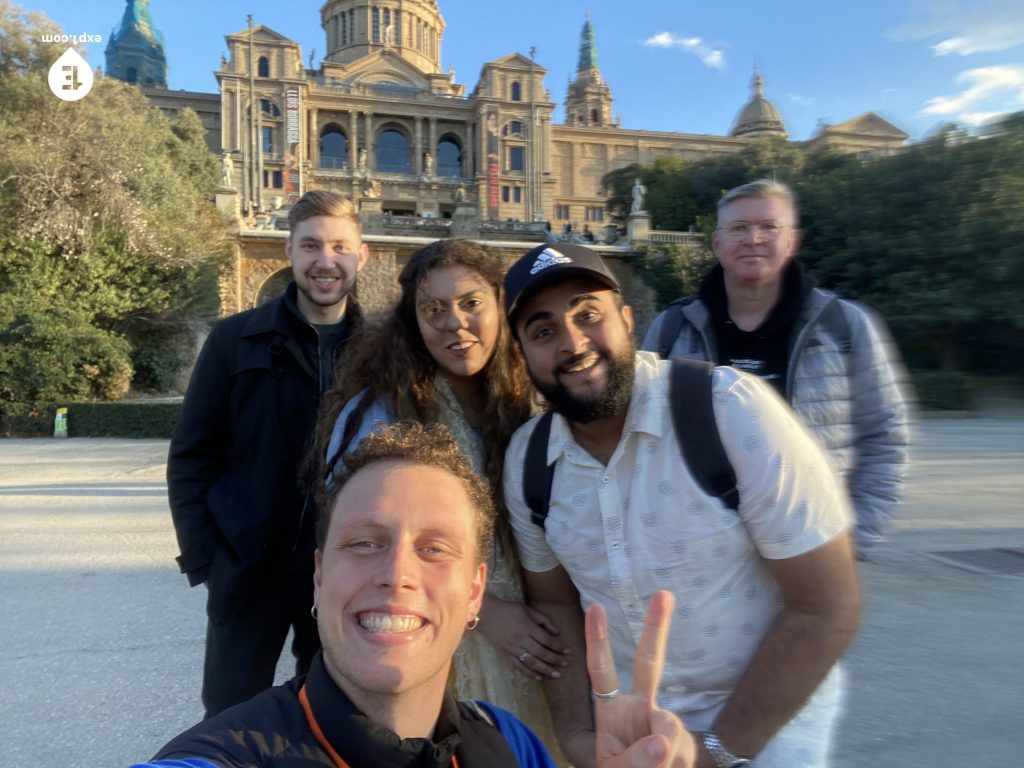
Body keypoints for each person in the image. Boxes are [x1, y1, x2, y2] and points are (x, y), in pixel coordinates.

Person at [132, 423, 696, 768]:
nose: (397, 573)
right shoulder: (222, 759)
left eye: (434, 549)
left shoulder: (510, 744)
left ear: (475, 593)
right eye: (363, 542)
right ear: (319, 575)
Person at [501, 242, 862, 768]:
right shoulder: (528, 462)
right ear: (522, 356)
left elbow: (827, 605)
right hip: (629, 725)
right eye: (543, 331)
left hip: (768, 717)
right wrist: (579, 737)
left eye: (589, 315)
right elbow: (556, 606)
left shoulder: (729, 411)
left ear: (628, 321)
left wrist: (711, 752)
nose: (573, 343)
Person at [312, 239, 567, 761]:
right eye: (434, 309)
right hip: (430, 632)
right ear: (413, 323)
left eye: (471, 303)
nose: (455, 322)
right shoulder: (380, 414)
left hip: (538, 636)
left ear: (501, 307)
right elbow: (360, 539)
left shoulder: (536, 403)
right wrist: (487, 614)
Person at [167, 190, 368, 717]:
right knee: (232, 718)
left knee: (336, 719)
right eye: (311, 246)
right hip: (248, 570)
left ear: (360, 255)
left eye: (339, 247)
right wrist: (209, 559)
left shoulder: (381, 349)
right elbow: (191, 456)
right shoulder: (235, 340)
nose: (325, 261)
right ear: (290, 252)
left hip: (343, 570)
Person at [641, 179, 909, 556]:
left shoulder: (846, 325)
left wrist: (857, 535)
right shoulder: (671, 329)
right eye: (738, 228)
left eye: (769, 226)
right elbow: (642, 437)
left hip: (817, 544)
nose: (753, 238)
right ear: (717, 244)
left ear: (791, 241)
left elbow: (885, 433)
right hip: (703, 551)